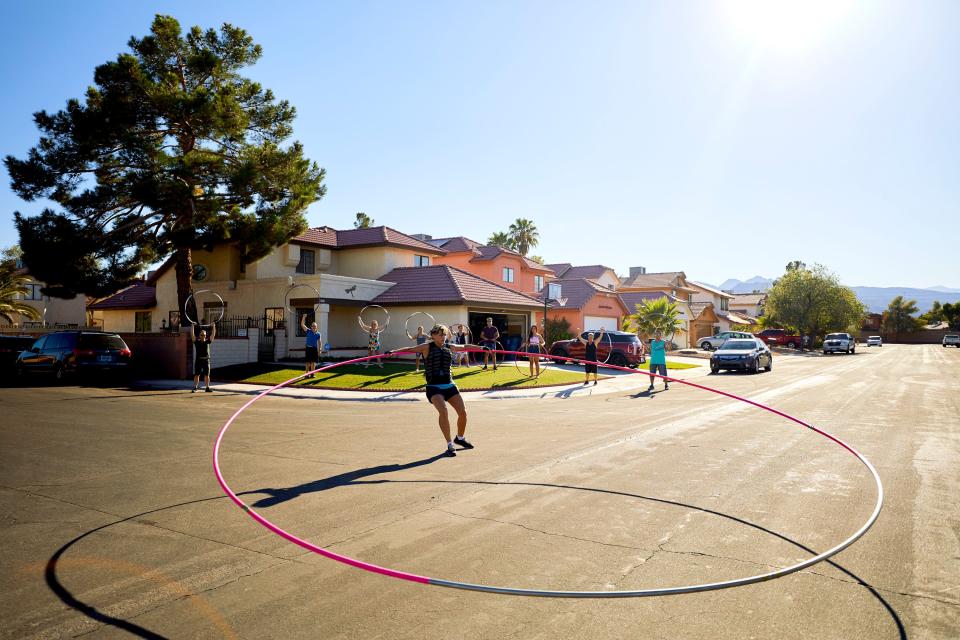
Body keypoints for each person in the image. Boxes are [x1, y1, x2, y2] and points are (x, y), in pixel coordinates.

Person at [387, 324, 474, 458]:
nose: (443, 337)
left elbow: (466, 347)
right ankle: (450, 444)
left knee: (463, 412)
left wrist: (483, 348)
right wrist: (393, 351)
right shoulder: (427, 347)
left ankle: (460, 438)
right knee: (443, 411)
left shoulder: (449, 347)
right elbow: (410, 349)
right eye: (440, 334)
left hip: (449, 385)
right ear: (433, 335)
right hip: (434, 387)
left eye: (444, 334)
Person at [192, 322, 216, 393]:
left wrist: (213, 327)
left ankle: (207, 388)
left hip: (206, 361)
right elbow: (192, 335)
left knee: (207, 375)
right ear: (199, 335)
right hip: (198, 360)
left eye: (204, 335)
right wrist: (192, 326)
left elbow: (213, 335)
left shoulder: (208, 342)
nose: (203, 336)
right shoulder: (197, 342)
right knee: (197, 375)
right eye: (202, 335)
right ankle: (195, 387)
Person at [300, 314, 321, 378]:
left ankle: (312, 374)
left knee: (313, 362)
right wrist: (303, 317)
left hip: (314, 349)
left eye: (315, 326)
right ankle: (307, 375)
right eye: (312, 326)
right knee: (308, 363)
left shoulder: (318, 334)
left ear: (316, 327)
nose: (313, 327)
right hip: (308, 348)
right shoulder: (308, 331)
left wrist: (319, 349)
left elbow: (320, 342)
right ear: (311, 327)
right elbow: (302, 325)